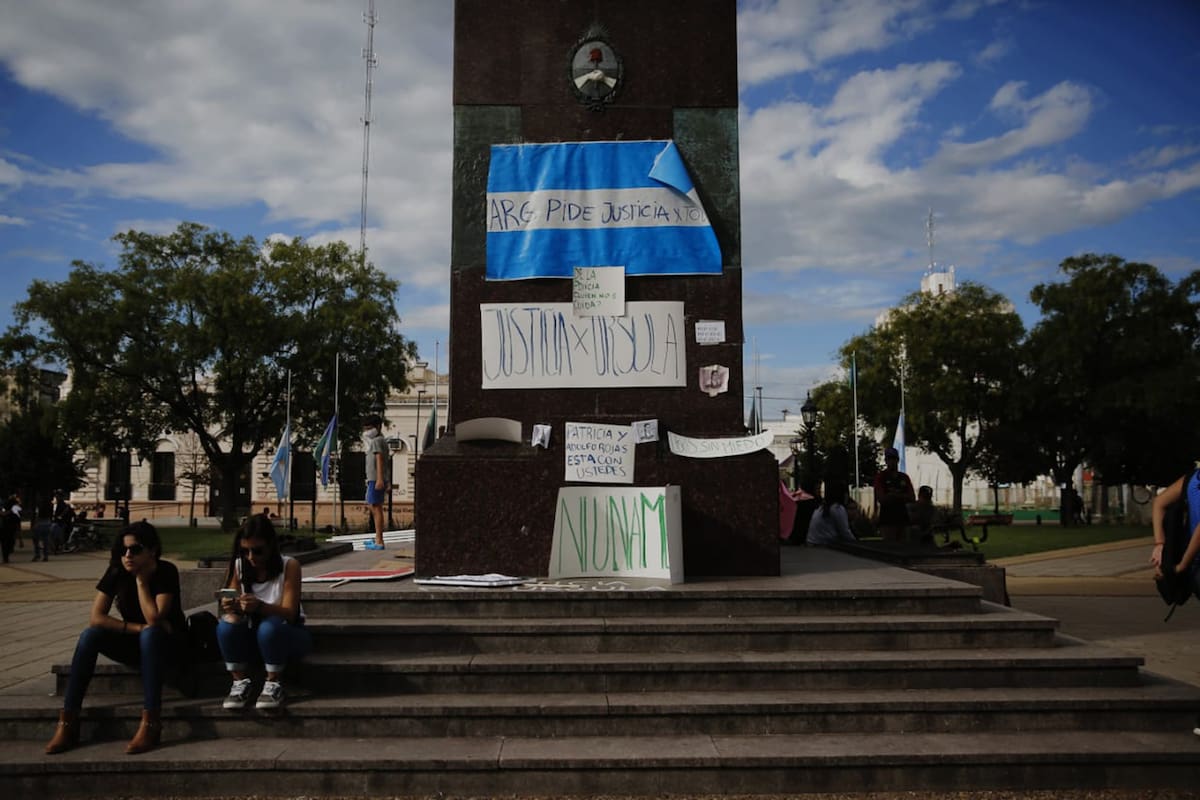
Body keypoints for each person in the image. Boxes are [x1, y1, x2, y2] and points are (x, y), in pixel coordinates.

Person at [45, 521, 187, 755]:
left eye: (135, 549)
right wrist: (137, 628)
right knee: (90, 635)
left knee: (151, 634)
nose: (128, 555)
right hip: (138, 640)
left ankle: (151, 722)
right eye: (123, 550)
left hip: (170, 646)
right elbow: (96, 618)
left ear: (152, 550)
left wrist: (141, 581)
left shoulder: (165, 571)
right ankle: (68, 721)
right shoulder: (116, 571)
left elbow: (154, 618)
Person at [217, 514, 311, 711]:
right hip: (252, 634)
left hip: (285, 633)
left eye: (258, 551)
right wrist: (230, 604)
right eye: (245, 551)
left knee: (270, 627)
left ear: (271, 546)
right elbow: (230, 597)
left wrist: (260, 607)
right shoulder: (239, 565)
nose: (251, 557)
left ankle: (273, 682)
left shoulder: (289, 566)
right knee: (227, 624)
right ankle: (239, 681)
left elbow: (290, 613)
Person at [873, 447, 915, 542]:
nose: (892, 462)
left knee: (904, 545)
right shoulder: (881, 477)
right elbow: (881, 498)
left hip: (903, 518)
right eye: (889, 459)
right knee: (889, 545)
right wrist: (901, 496)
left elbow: (912, 497)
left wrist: (893, 495)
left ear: (898, 460)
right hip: (887, 519)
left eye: (894, 459)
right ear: (886, 461)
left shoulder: (904, 477)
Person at [362, 413, 389, 550]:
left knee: (376, 507)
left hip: (375, 479)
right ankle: (378, 538)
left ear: (378, 427)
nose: (367, 431)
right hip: (374, 478)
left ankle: (379, 541)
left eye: (369, 428)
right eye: (365, 428)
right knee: (373, 506)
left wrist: (379, 479)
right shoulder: (380, 440)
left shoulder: (377, 441)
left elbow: (379, 460)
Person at [807, 480, 857, 546]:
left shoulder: (822, 507)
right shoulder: (837, 508)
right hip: (823, 544)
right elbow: (845, 532)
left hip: (813, 542)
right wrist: (856, 542)